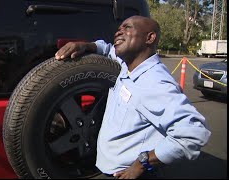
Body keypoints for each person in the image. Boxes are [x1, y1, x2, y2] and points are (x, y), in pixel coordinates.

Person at [55, 16, 211, 179]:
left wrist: (142, 163)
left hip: (130, 174)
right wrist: (86, 45)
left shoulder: (155, 82)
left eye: (127, 28)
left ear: (149, 38)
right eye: (119, 29)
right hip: (109, 169)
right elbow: (107, 49)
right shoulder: (127, 64)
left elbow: (194, 133)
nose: (118, 32)